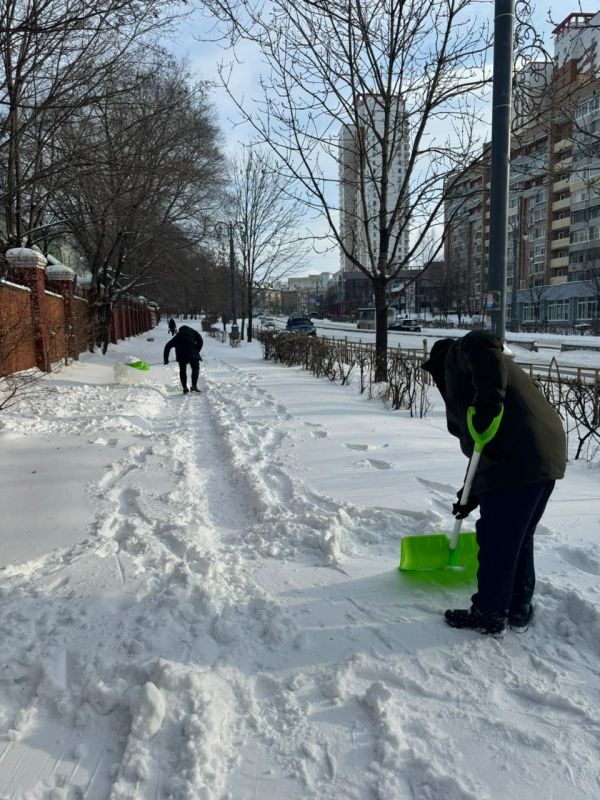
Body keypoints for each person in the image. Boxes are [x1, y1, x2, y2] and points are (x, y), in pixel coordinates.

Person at [422, 330, 566, 636]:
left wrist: (489, 403)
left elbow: (483, 341)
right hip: (542, 454)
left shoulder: (461, 354)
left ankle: (489, 613)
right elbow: (481, 450)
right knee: (517, 537)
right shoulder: (473, 386)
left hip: (520, 457)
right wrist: (469, 495)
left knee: (497, 539)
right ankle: (518, 608)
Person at [163, 325, 203, 394]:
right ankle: (194, 386)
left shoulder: (178, 335)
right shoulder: (193, 332)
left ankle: (185, 388)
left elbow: (167, 346)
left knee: (182, 370)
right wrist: (197, 351)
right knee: (195, 368)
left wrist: (166, 359)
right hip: (193, 352)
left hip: (181, 355)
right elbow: (200, 341)